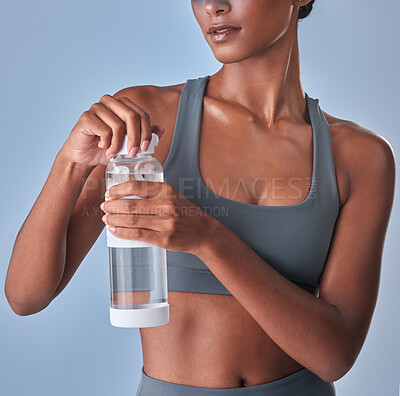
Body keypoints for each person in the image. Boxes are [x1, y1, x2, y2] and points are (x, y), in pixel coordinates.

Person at [5, 1, 396, 395]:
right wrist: (69, 165)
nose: (214, 6)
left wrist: (208, 238)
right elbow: (25, 297)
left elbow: (334, 356)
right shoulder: (147, 122)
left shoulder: (360, 157)